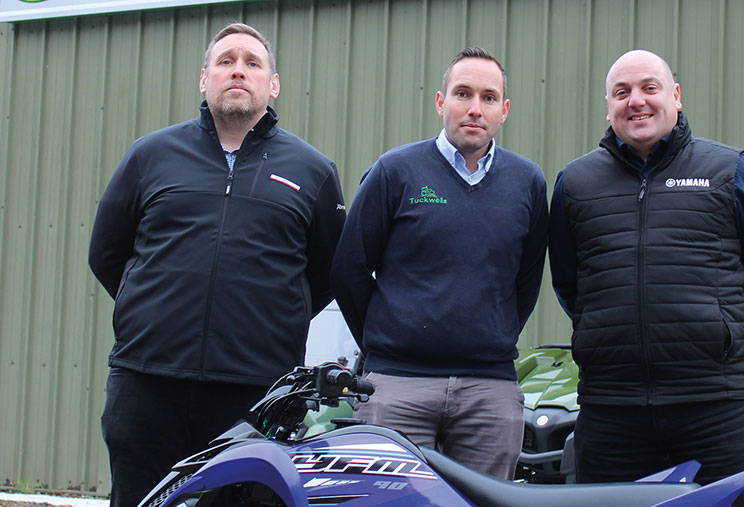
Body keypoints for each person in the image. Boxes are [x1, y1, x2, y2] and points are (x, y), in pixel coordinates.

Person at [88, 23, 346, 507]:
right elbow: (107, 253)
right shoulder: (152, 155)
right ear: (203, 78)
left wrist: (266, 319)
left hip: (255, 393)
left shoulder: (312, 170)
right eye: (226, 61)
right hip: (147, 382)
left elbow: (327, 271)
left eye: (253, 63)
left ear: (273, 85)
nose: (238, 71)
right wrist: (153, 308)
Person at [548, 49, 744, 506]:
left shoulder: (732, 170)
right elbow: (571, 283)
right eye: (622, 92)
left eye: (649, 88)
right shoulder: (575, 184)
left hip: (714, 407)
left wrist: (722, 337)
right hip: (610, 411)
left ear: (675, 97)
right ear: (608, 106)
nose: (635, 101)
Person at [330, 47, 548, 480]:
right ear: (439, 102)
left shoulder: (528, 182)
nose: (474, 108)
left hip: (489, 390)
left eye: (488, 98)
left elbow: (526, 280)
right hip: (396, 385)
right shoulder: (395, 171)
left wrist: (491, 333)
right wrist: (385, 342)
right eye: (462, 93)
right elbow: (349, 270)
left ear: (503, 111)